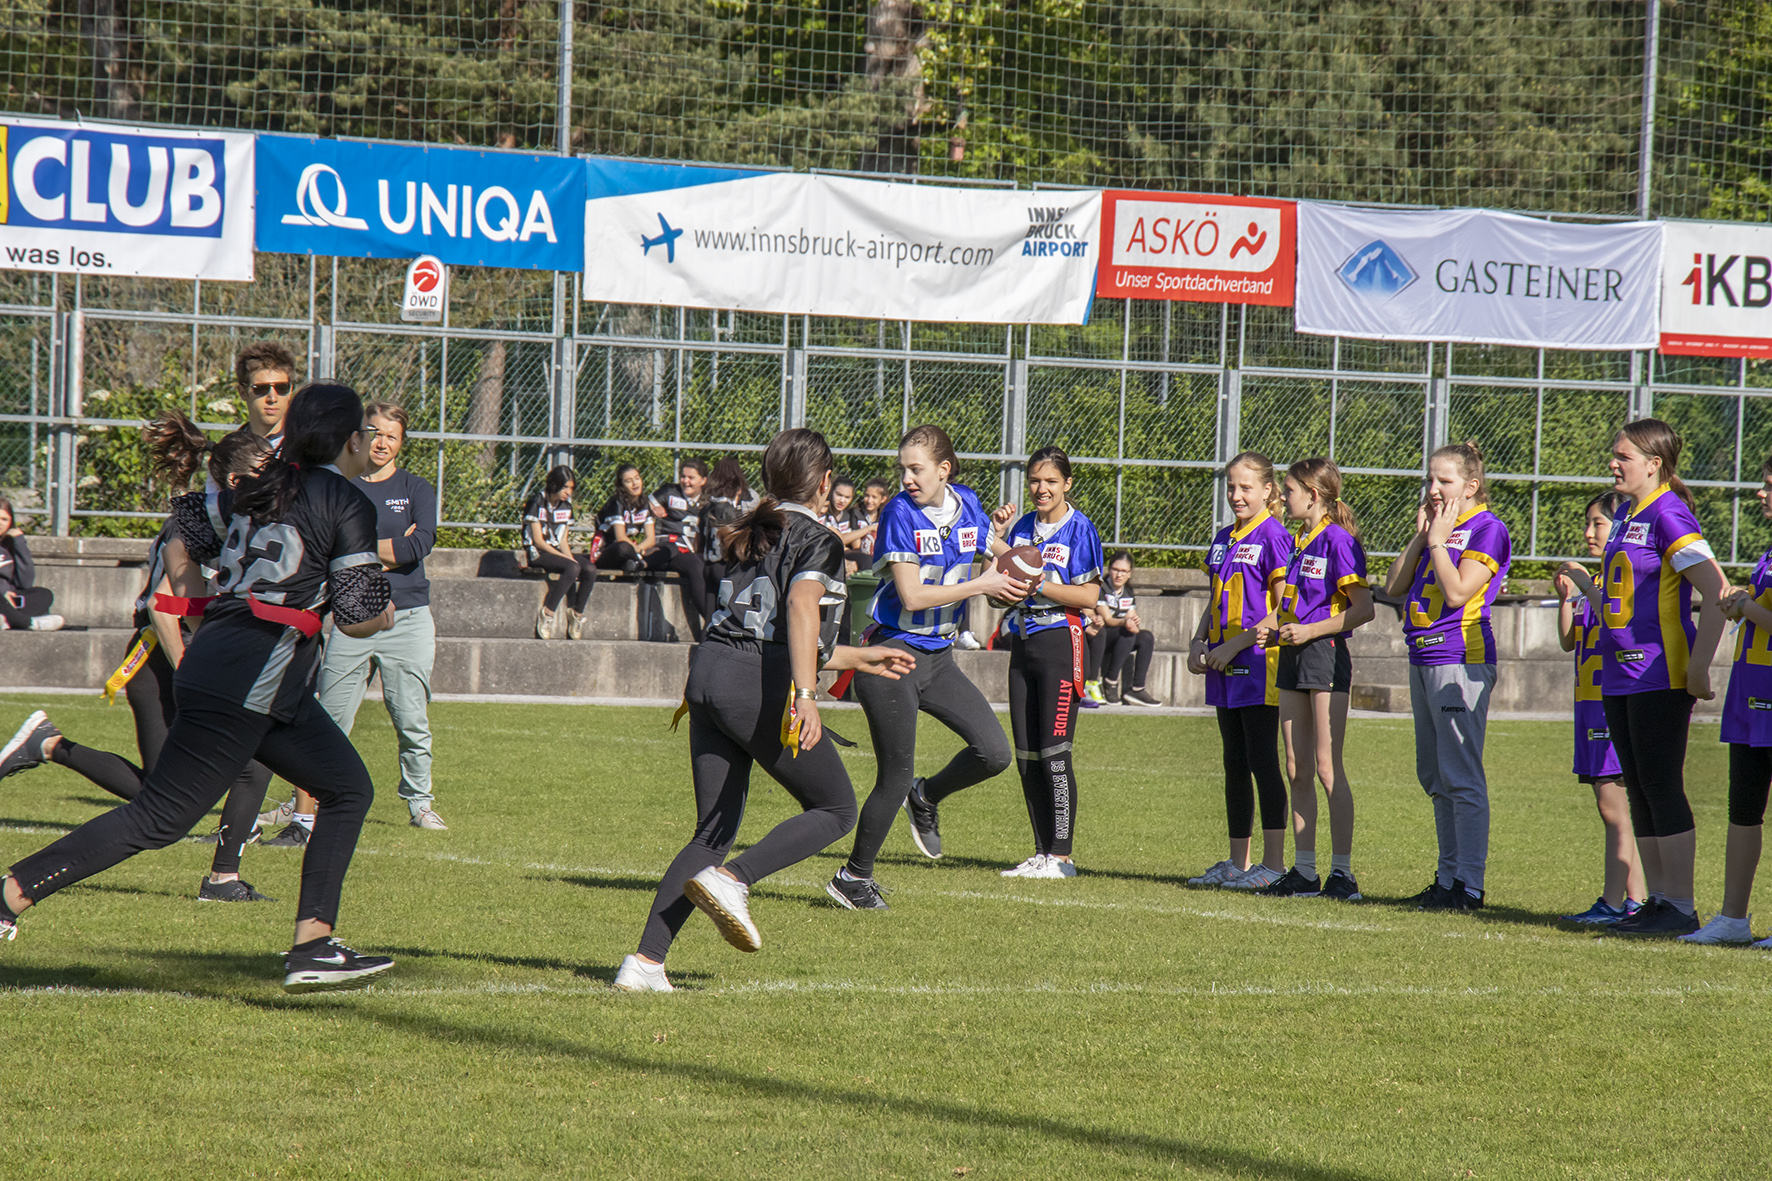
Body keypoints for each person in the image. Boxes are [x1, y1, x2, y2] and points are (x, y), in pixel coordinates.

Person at [0, 383, 399, 993]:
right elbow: (358, 614)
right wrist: (386, 612)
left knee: (346, 789)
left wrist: (189, 585)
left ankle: (313, 945)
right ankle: (9, 895)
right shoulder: (344, 501)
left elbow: (187, 522)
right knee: (161, 818)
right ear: (353, 439)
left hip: (233, 666)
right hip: (255, 677)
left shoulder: (258, 484)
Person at [614, 429, 916, 992]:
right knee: (835, 808)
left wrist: (858, 656)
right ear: (826, 482)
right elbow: (801, 609)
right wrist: (805, 694)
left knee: (711, 833)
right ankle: (736, 880)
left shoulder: (755, 527)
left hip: (708, 673)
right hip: (756, 679)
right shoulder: (817, 535)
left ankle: (645, 963)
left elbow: (770, 625)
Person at [0, 417, 278, 903]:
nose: (278, 480)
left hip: (193, 657)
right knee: (167, 796)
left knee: (250, 766)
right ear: (234, 479)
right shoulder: (201, 521)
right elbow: (161, 605)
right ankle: (51, 748)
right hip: (159, 658)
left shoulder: (244, 521)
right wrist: (192, 667)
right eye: (267, 469)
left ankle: (223, 877)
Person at [826, 424, 1025, 909]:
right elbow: (912, 597)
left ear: (944, 469)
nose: (907, 478)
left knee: (995, 753)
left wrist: (1024, 565)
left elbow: (994, 552)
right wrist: (984, 585)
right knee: (892, 775)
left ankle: (927, 795)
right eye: (903, 469)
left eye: (916, 469)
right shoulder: (897, 512)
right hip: (891, 655)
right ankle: (853, 878)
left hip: (939, 659)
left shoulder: (968, 503)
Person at [1594, 419, 1727, 939]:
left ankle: (1681, 905)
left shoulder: (1670, 513)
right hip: (1620, 672)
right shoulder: (1629, 513)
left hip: (1659, 671)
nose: (1613, 462)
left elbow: (1716, 592)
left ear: (1654, 464)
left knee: (1661, 784)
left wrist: (1697, 668)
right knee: (1640, 789)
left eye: (1623, 456)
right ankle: (1659, 900)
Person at [1382, 442, 1512, 913]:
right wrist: (1422, 538)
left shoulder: (1488, 528)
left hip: (1460, 660)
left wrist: (1438, 542)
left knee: (1461, 774)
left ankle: (1469, 885)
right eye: (1430, 480)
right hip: (1422, 658)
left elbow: (1458, 593)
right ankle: (1447, 877)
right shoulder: (1437, 528)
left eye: (1446, 481)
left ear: (1472, 487)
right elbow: (1394, 586)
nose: (1434, 489)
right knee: (1435, 774)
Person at [315, 402, 446, 830]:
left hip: (408, 619)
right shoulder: (340, 486)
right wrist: (383, 548)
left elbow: (417, 546)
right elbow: (331, 547)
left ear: (402, 443)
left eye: (392, 435)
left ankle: (420, 804)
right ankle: (308, 806)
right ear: (360, 435)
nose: (382, 442)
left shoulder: (416, 489)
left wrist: (359, 552)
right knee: (327, 719)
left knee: (411, 720)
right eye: (375, 432)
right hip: (351, 620)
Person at [1251, 457, 1374, 901]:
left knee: (1326, 767)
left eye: (1289, 490)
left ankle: (1342, 874)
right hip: (1292, 655)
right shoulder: (1299, 541)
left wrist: (1310, 630)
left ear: (1314, 495)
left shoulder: (1339, 541)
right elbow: (1294, 605)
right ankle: (1304, 872)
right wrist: (1273, 626)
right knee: (1295, 767)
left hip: (1324, 655)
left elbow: (1363, 608)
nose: (1283, 497)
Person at [1187, 453, 1294, 891]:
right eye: (1232, 487)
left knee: (1262, 761)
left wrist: (1237, 642)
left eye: (1246, 487)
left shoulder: (1274, 536)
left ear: (1268, 490)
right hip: (1222, 665)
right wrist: (1198, 640)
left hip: (1257, 666)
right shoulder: (1223, 537)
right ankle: (1238, 862)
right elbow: (1215, 599)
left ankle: (1272, 865)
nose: (1236, 495)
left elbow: (1284, 607)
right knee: (1234, 762)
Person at [996, 446, 1103, 877]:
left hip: (1061, 642)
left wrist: (1039, 584)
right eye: (1036, 481)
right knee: (1027, 755)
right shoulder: (1021, 527)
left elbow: (1090, 597)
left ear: (1067, 484)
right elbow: (995, 590)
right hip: (1022, 643)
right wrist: (997, 541)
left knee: (1055, 752)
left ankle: (1061, 857)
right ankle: (1041, 852)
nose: (1042, 489)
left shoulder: (1080, 529)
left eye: (1051, 482)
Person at [1680, 461, 1772, 944]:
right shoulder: (1768, 554)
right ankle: (1733, 918)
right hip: (1751, 698)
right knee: (1743, 809)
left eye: (1770, 487)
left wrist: (1745, 607)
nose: (1760, 494)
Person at [1553, 491, 1646, 924]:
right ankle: (1636, 899)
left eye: (1599, 524)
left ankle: (1619, 901)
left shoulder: (1618, 581)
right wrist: (1564, 597)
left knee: (1615, 807)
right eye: (1587, 524)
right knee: (1609, 807)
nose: (1589, 533)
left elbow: (1616, 625)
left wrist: (1587, 586)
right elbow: (1570, 640)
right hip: (1589, 707)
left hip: (1612, 706)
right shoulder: (1596, 579)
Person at [523, 466, 595, 641]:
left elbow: (562, 540)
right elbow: (539, 541)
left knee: (590, 569)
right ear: (554, 485)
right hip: (538, 552)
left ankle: (576, 614)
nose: (568, 492)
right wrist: (567, 561)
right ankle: (547, 613)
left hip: (556, 551)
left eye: (571, 488)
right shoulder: (536, 502)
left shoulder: (566, 506)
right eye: (565, 487)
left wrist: (568, 557)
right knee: (571, 568)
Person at [641, 461, 709, 643]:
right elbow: (642, 503)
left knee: (707, 564)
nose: (685, 481)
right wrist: (652, 507)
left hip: (693, 550)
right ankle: (711, 618)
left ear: (703, 480)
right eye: (683, 476)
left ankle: (715, 616)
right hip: (669, 548)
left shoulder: (708, 500)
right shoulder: (669, 491)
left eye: (691, 478)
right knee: (693, 563)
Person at [1088, 551, 1161, 706]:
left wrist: (1134, 622)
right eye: (1115, 569)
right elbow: (1107, 620)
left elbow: (1132, 620)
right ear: (1109, 569)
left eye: (1124, 571)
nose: (1119, 575)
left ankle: (1137, 688)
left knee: (1146, 637)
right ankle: (1110, 682)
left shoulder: (1128, 591)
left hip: (1120, 635)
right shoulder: (1102, 588)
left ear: (1130, 573)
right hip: (1101, 636)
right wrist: (1126, 622)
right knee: (1127, 633)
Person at [0, 499, 63, 632]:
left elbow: (25, 583)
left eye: (4, 519)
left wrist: (19, 542)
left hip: (9, 600)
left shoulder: (11, 545)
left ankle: (7, 620)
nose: (0, 523)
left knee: (44, 594)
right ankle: (29, 623)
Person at [699, 457, 754, 605]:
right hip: (724, 566)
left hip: (708, 566)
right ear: (737, 488)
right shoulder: (729, 511)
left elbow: (700, 540)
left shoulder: (707, 508)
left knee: (711, 618)